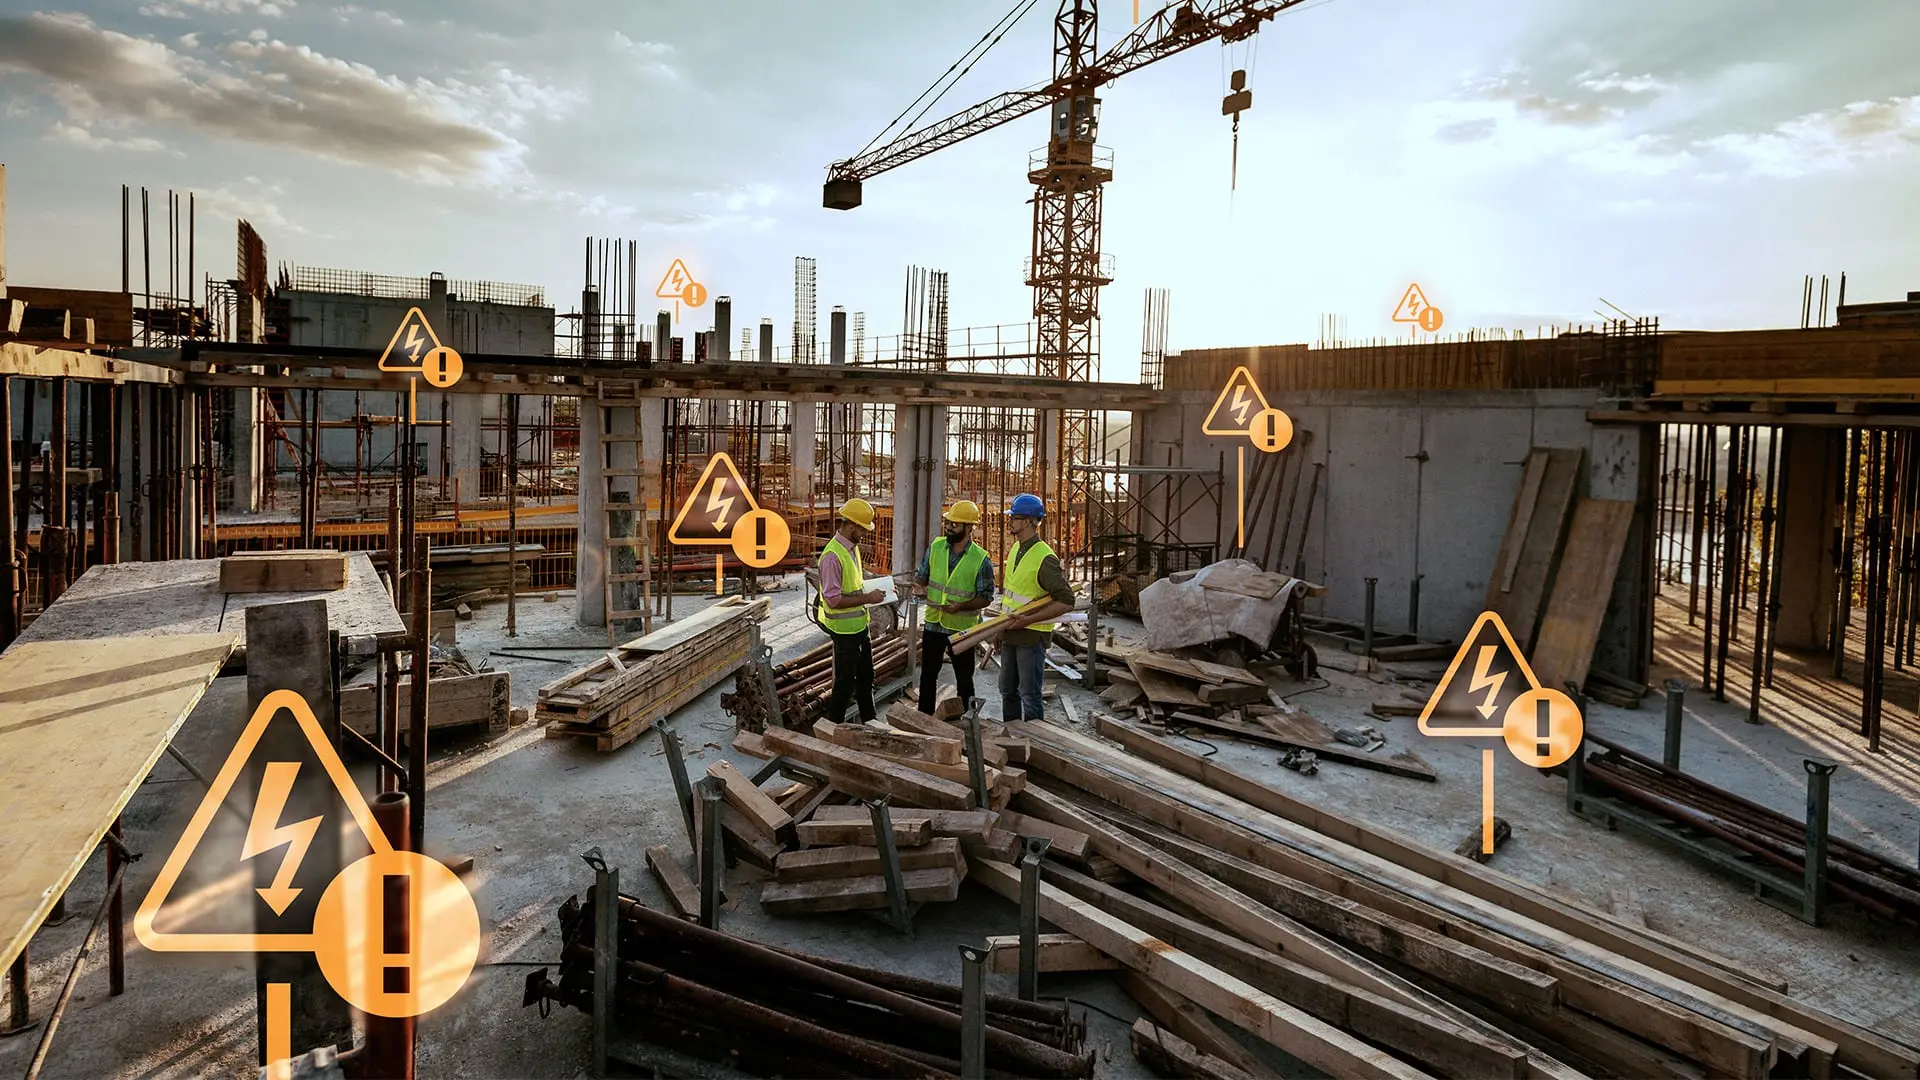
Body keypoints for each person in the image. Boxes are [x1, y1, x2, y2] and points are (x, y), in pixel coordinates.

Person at [998, 493, 1076, 722]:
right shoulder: (1016, 548)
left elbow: (1066, 600)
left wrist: (1029, 620)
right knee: (1007, 690)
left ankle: (1035, 740)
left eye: (1014, 518)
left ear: (1028, 521)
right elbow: (1011, 595)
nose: (1010, 521)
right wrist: (1000, 630)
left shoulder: (1045, 557)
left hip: (1031, 636)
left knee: (1030, 695)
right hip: (1010, 631)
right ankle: (1012, 736)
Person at [913, 500, 995, 714]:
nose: (948, 527)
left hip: (962, 628)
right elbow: (922, 576)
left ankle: (967, 720)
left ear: (969, 528)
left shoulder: (981, 559)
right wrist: (919, 586)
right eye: (947, 522)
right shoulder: (936, 547)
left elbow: (986, 597)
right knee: (928, 675)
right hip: (934, 622)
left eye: (954, 524)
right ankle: (924, 719)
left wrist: (961, 606)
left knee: (964, 678)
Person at [818, 497, 887, 725]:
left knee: (866, 678)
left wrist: (877, 590)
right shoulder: (832, 556)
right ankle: (833, 728)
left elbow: (854, 585)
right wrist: (868, 598)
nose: (865, 533)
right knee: (845, 685)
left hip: (859, 626)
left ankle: (870, 722)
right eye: (863, 529)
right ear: (850, 526)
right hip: (844, 631)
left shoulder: (851, 549)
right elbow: (833, 600)